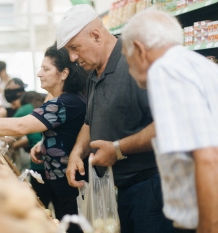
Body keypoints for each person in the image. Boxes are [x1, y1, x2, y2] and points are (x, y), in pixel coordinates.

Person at [56, 4, 174, 233]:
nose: (72, 57)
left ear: (96, 35)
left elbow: (167, 125)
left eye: (74, 48)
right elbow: (90, 121)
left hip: (153, 189)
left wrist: (118, 149)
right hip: (121, 189)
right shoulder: (92, 74)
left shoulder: (137, 64)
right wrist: (76, 153)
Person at [0, 45, 88, 233]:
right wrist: (44, 143)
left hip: (71, 187)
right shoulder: (70, 100)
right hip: (66, 184)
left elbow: (19, 127)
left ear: (64, 73)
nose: (39, 73)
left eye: (46, 69)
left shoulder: (64, 103)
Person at [121, 10, 218, 233]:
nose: (129, 69)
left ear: (139, 49)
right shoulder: (203, 67)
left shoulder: (164, 70)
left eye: (128, 58)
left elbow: (208, 157)